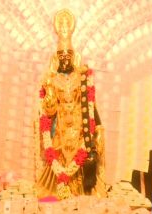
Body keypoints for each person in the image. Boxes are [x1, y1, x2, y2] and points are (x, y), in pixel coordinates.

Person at [36, 9, 106, 199]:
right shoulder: (51, 79)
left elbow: (91, 106)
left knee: (80, 154)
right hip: (59, 130)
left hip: (78, 127)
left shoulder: (82, 77)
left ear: (73, 56)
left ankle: (80, 190)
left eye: (68, 56)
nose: (65, 60)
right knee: (59, 155)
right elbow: (48, 111)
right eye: (62, 57)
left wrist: (98, 127)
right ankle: (59, 187)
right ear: (56, 58)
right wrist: (50, 96)